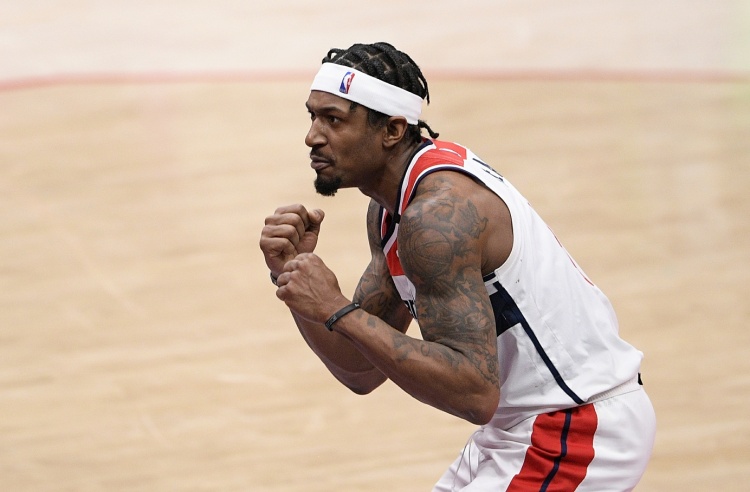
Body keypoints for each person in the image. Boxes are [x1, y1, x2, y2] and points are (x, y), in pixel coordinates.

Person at [259, 42, 656, 491]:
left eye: (333, 120)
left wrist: (336, 307)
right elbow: (360, 371)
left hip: (576, 426)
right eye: (312, 117)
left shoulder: (437, 217)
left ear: (392, 130)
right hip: (522, 426)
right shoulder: (392, 211)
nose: (312, 136)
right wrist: (291, 278)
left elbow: (475, 394)